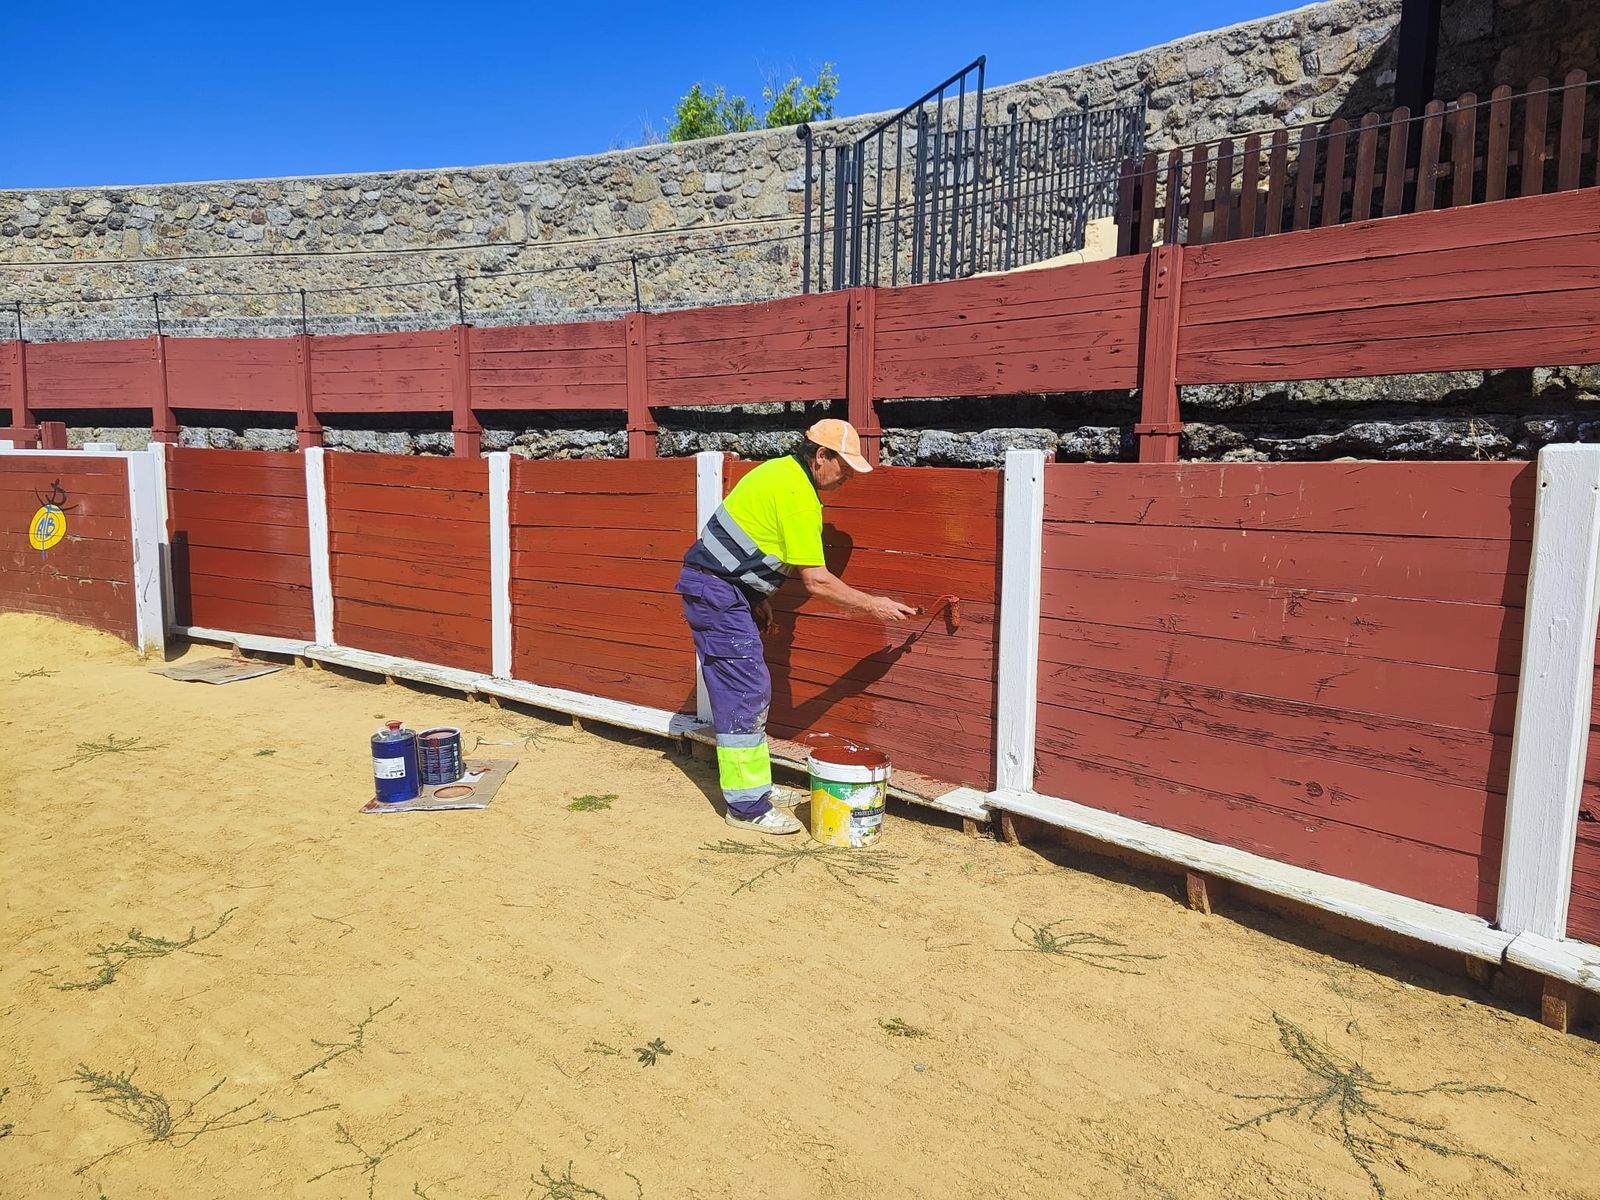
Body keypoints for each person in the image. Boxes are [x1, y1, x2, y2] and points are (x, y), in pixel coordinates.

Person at [677, 419, 917, 834]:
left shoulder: (776, 470)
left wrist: (754, 595)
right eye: (844, 467)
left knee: (746, 691)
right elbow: (817, 581)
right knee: (745, 693)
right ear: (821, 455)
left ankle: (754, 787)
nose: (847, 478)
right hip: (717, 595)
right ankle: (746, 806)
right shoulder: (800, 497)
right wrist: (872, 605)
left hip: (718, 590)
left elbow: (741, 539)